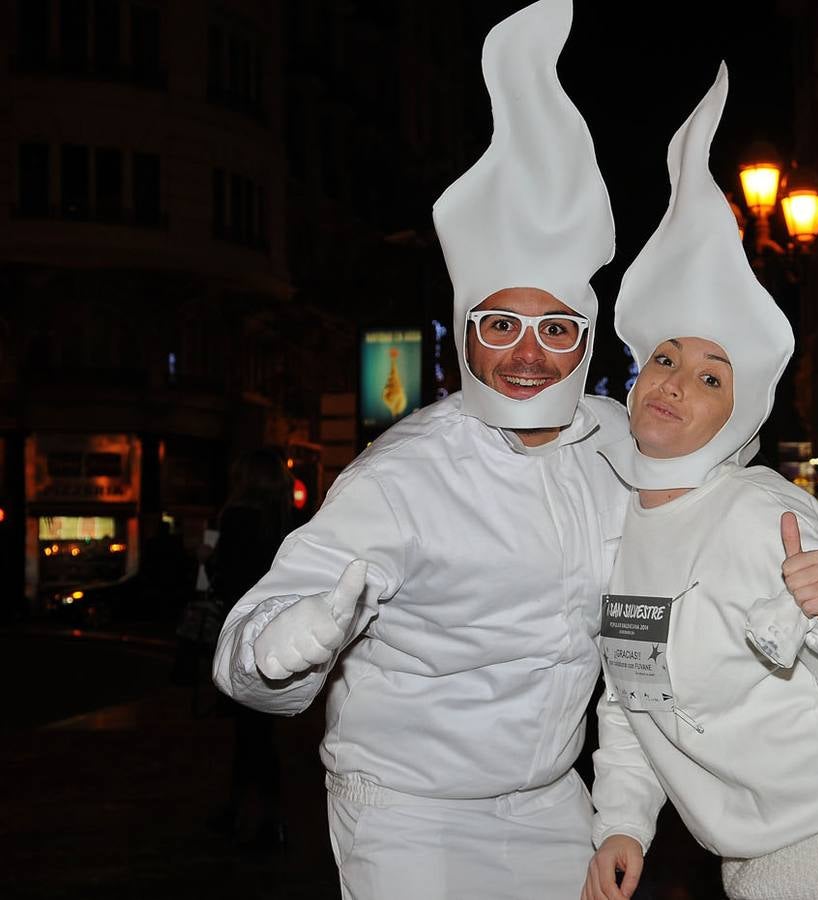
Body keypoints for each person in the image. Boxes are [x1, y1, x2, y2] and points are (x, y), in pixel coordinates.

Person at [211, 1, 629, 897]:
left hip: (554, 798)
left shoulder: (619, 444)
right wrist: (278, 650)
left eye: (557, 327)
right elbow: (251, 651)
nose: (528, 353)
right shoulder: (401, 476)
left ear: (587, 341)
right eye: (502, 324)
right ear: (466, 336)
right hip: (408, 809)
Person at [582, 66, 818, 900]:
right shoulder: (625, 524)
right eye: (666, 359)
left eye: (712, 379)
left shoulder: (759, 509)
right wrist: (622, 823)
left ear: (739, 420)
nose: (675, 382)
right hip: (759, 865)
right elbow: (634, 697)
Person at [205, 448, 296, 851]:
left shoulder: (238, 518)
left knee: (251, 733)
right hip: (270, 630)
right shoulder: (283, 521)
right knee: (256, 731)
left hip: (239, 628)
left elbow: (227, 576)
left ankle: (259, 817)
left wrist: (208, 560)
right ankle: (251, 811)